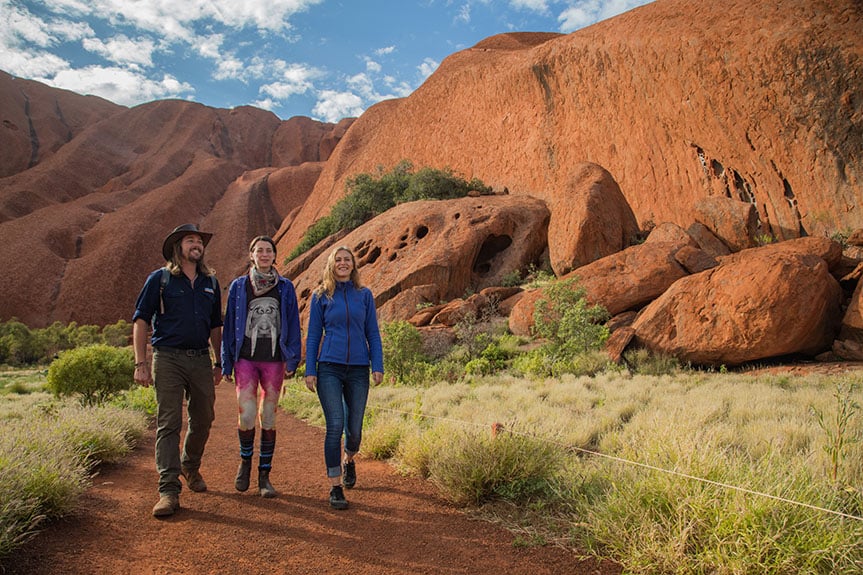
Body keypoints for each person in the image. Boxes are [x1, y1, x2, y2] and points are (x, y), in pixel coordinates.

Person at [133, 223, 223, 518]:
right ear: (178, 247)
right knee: (168, 423)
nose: (197, 244)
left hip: (199, 359)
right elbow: (141, 319)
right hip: (167, 358)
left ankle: (190, 464)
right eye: (190, 240)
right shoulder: (159, 280)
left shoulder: (211, 281)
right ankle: (168, 490)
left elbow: (215, 326)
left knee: (204, 417)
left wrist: (219, 361)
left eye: (199, 240)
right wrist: (141, 363)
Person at [221, 236, 301, 498]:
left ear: (274, 255)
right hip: (245, 358)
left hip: (274, 360)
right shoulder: (239, 286)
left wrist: (293, 358)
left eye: (269, 251)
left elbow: (293, 321)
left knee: (268, 416)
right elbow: (229, 325)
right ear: (252, 255)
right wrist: (226, 360)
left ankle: (264, 475)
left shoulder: (286, 287)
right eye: (259, 251)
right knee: (246, 414)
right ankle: (245, 462)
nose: (264, 254)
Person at [304, 245, 384, 510]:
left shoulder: (364, 295)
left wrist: (377, 364)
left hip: (359, 368)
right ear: (331, 264)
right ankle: (335, 486)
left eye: (346, 260)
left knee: (355, 431)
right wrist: (311, 369)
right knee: (335, 425)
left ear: (353, 265)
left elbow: (372, 331)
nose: (342, 263)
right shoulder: (321, 295)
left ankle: (350, 460)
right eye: (337, 260)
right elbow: (314, 334)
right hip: (329, 366)